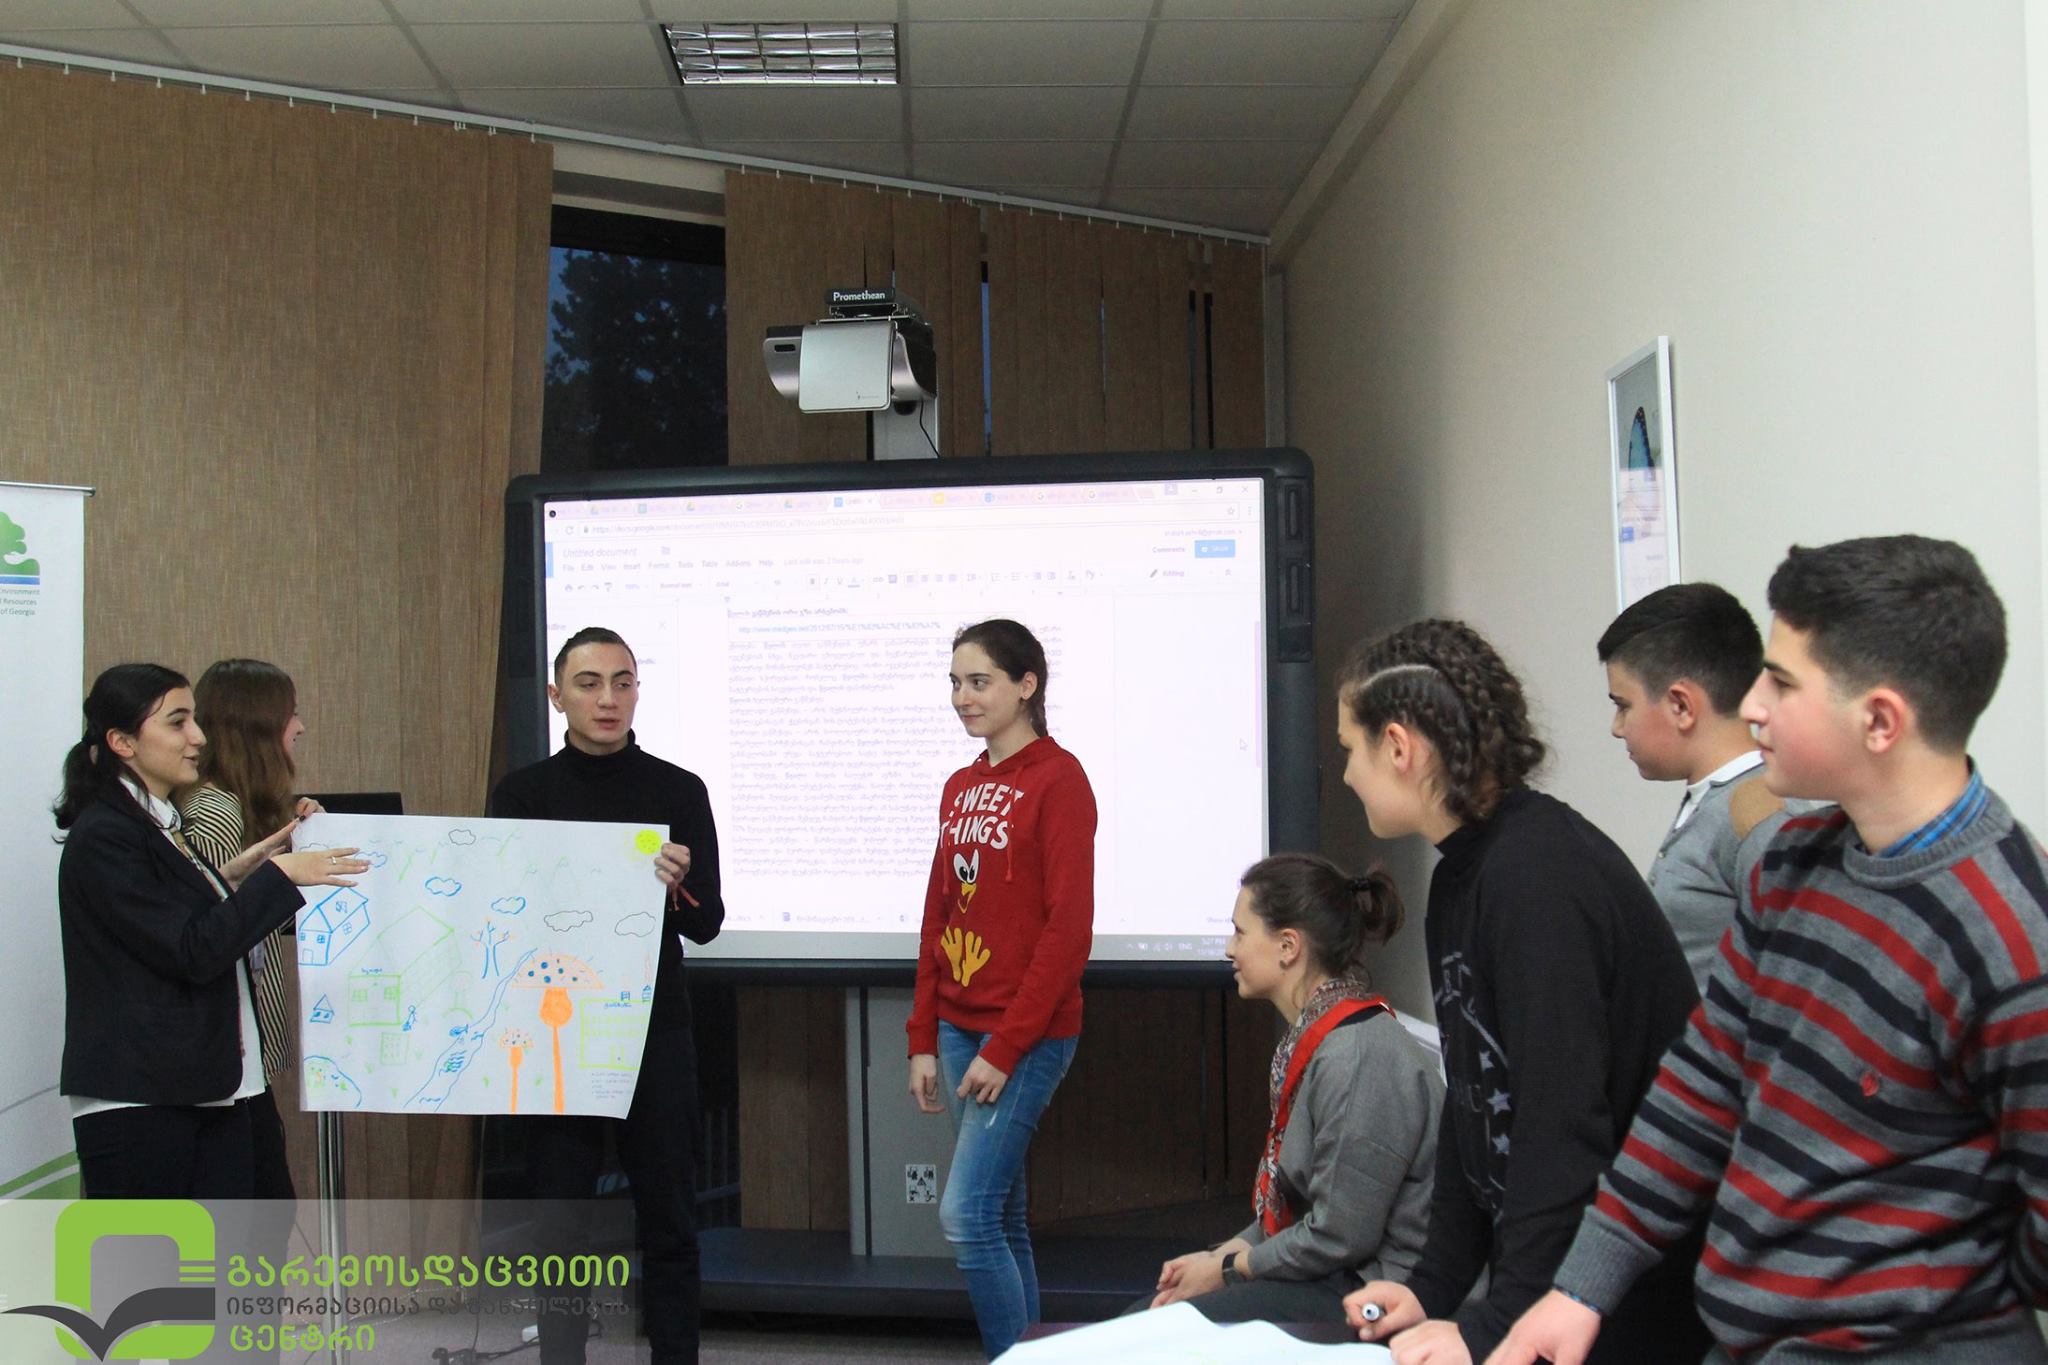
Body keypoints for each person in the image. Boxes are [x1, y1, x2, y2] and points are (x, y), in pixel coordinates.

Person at [1491, 536, 2048, 1365]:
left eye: (1781, 683)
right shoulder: (1789, 861)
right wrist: (1581, 1287)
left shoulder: (2011, 935)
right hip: (1749, 1338)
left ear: (1880, 720)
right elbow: (1702, 1086)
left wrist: (1945, 1297)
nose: (1750, 705)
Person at [1332, 620, 1710, 1365]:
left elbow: (1560, 1125)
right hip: (1555, 1291)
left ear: (1399, 746)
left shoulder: (1538, 877)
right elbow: (1474, 1100)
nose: (1346, 774)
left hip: (1631, 1300)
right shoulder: (1462, 876)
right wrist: (1433, 1286)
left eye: (1351, 748)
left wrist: (1494, 1325)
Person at [488, 626, 723, 1365]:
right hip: (557, 1033)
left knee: (669, 1216)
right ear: (556, 696)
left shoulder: (678, 789)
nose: (608, 698)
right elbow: (500, 914)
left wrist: (678, 887)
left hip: (654, 1027)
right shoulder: (522, 794)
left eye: (623, 682)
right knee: (560, 1222)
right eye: (589, 683)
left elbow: (708, 921)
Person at [54, 663, 363, 1198]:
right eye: (177, 723)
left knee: (246, 1236)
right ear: (122, 742)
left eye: (194, 720)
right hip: (145, 1097)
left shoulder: (159, 824)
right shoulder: (106, 834)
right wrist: (279, 876)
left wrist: (240, 874)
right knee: (165, 1255)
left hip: (199, 1089)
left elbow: (178, 920)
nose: (198, 737)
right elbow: (192, 948)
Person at [1135, 853, 1441, 1324]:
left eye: (1240, 933)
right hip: (1333, 1275)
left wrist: (1229, 1269)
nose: (1229, 950)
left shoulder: (1357, 1055)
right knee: (1146, 1318)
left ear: (1287, 946)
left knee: (1162, 1331)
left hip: (1373, 1292)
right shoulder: (1321, 1037)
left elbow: (1340, 1237)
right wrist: (1222, 1256)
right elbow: (1302, 1217)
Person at [907, 618, 1096, 1360]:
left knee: (966, 1214)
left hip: (1027, 1035)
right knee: (1001, 1215)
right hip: (959, 1028)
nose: (963, 696)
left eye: (980, 681)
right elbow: (939, 915)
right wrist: (923, 1037)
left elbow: (1067, 931)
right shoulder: (961, 786)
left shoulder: (1059, 778)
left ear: (1027, 685)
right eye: (955, 682)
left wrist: (1007, 1046)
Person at [1596, 583, 1793, 990]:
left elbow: (1792, 979)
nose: (1617, 728)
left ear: (1681, 706)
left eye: (1623, 706)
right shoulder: (1711, 798)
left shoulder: (1760, 815)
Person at [176, 658, 321, 1200]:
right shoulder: (215, 814)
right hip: (226, 1058)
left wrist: (300, 838)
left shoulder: (239, 806)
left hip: (239, 1060)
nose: (299, 728)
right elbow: (219, 934)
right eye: (290, 715)